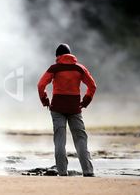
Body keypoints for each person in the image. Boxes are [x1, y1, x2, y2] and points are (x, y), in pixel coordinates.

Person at [37, 43, 96, 177]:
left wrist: (45, 100)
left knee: (59, 140)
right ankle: (88, 171)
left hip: (57, 107)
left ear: (58, 56)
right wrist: (85, 101)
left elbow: (41, 85)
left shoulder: (54, 68)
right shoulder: (79, 68)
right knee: (81, 139)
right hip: (75, 108)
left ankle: (62, 172)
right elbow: (92, 86)